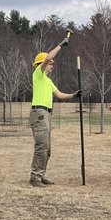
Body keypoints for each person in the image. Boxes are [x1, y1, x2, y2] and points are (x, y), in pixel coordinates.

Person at [28, 35, 79, 187]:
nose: (52, 65)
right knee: (41, 146)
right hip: (39, 114)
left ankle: (41, 175)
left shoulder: (48, 81)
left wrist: (74, 95)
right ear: (42, 64)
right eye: (50, 64)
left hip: (47, 115)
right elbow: (49, 56)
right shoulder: (38, 74)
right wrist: (60, 45)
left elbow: (59, 94)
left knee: (47, 149)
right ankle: (34, 178)